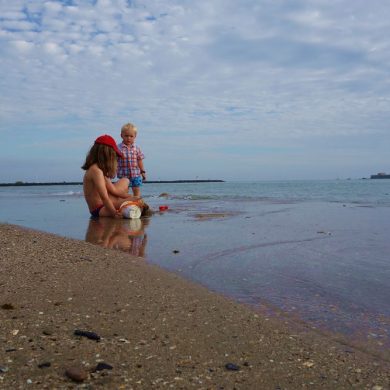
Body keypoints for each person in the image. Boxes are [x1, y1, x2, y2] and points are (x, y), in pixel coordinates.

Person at [82, 134, 148, 218]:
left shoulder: (100, 170)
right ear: (107, 154)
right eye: (114, 156)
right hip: (100, 209)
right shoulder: (96, 171)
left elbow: (114, 190)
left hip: (105, 204)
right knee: (136, 203)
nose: (115, 159)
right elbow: (104, 197)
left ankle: (129, 206)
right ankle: (127, 209)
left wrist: (131, 196)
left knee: (126, 181)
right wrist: (114, 214)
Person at [117, 122, 146, 197]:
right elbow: (115, 161)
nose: (128, 138)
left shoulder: (136, 148)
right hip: (123, 175)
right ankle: (125, 204)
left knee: (136, 190)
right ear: (121, 136)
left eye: (131, 136)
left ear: (135, 136)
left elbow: (139, 160)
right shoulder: (118, 148)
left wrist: (142, 171)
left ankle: (137, 203)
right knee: (124, 191)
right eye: (126, 136)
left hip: (135, 173)